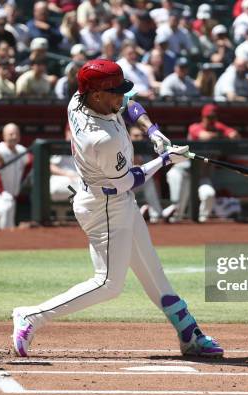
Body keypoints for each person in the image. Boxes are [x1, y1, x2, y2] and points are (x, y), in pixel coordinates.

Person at [12, 59, 223, 358]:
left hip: (115, 201)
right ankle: (31, 316)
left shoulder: (80, 98)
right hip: (105, 206)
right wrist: (164, 161)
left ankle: (190, 333)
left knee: (153, 271)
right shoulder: (101, 138)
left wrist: (153, 132)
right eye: (114, 92)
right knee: (108, 283)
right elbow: (125, 181)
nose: (120, 97)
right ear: (97, 95)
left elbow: (131, 104)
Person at [165, 104, 240, 223]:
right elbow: (204, 136)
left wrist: (225, 133)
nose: (210, 120)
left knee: (209, 195)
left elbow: (235, 135)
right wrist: (222, 136)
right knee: (177, 208)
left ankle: (201, 224)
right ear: (203, 117)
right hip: (182, 172)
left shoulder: (218, 127)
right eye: (208, 117)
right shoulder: (195, 127)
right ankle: (162, 218)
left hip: (201, 176)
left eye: (213, 117)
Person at [0, 123, 31, 229]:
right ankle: (4, 239)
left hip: (10, 197)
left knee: (6, 224)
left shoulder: (21, 150)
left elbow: (31, 161)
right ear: (4, 136)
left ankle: (1, 242)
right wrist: (2, 192)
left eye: (16, 134)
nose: (14, 137)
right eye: (11, 134)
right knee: (5, 209)